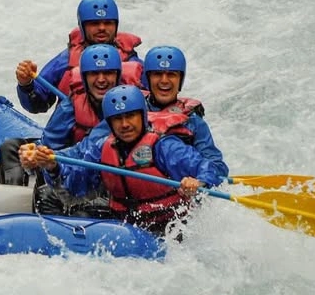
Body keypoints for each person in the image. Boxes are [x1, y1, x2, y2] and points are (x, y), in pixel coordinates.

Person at [23, 85, 225, 236]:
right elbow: (74, 191)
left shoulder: (165, 146)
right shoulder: (102, 148)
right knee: (79, 215)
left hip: (169, 226)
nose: (125, 124)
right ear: (109, 123)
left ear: (143, 116)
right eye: (118, 119)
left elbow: (210, 170)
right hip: (124, 224)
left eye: (130, 116)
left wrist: (198, 183)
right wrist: (53, 167)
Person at [0, 44, 131, 186]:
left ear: (118, 75)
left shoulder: (135, 105)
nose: (101, 79)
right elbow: (50, 144)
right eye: (93, 73)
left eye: (108, 73)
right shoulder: (71, 105)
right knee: (13, 149)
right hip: (77, 165)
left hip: (115, 172)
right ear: (84, 77)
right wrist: (37, 154)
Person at [14, 0, 142, 115]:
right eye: (94, 23)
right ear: (82, 27)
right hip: (72, 133)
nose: (102, 28)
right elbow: (39, 104)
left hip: (121, 133)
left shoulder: (133, 63)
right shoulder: (65, 61)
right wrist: (26, 85)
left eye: (108, 23)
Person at [141, 45, 228, 181]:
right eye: (157, 74)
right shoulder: (130, 113)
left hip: (175, 195)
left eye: (171, 75)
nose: (164, 80)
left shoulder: (193, 122)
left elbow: (218, 168)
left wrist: (199, 181)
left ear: (180, 80)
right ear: (148, 78)